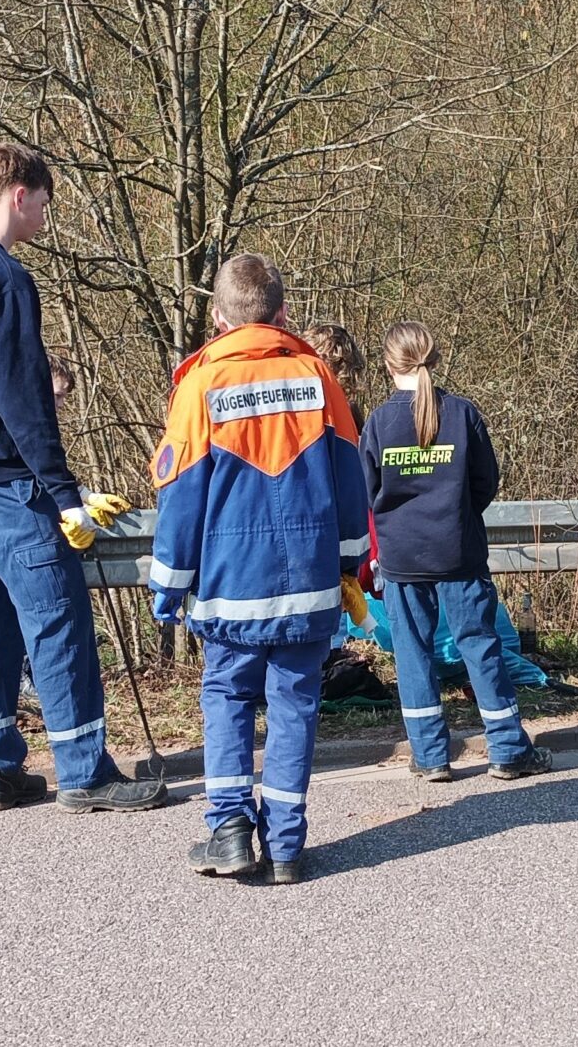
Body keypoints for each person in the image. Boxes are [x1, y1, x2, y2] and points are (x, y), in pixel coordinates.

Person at [0, 143, 166, 814]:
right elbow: (24, 399)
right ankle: (85, 770)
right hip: (6, 484)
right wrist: (64, 493)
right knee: (58, 619)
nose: (46, 219)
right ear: (19, 195)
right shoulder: (4, 278)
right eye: (45, 205)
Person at [149, 253, 372, 883]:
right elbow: (349, 480)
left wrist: (169, 584)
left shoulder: (202, 385)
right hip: (307, 580)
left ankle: (228, 833)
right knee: (295, 703)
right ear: (282, 312)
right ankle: (286, 847)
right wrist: (350, 564)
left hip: (230, 584)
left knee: (227, 697)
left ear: (219, 318)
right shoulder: (317, 376)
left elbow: (181, 496)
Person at [360, 321, 553, 783]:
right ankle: (508, 749)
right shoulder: (463, 414)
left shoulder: (379, 422)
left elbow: (367, 490)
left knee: (413, 654)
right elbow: (486, 482)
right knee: (479, 646)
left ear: (388, 365)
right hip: (458, 551)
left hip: (402, 558)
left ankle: (430, 756)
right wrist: (458, 516)